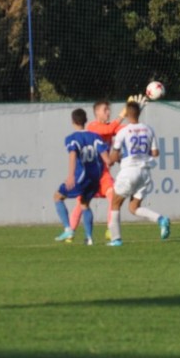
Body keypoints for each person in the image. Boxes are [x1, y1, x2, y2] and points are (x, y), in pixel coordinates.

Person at [66, 96, 146, 239]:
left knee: (113, 198)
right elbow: (109, 129)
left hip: (103, 174)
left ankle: (111, 229)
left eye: (108, 109)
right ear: (97, 112)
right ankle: (70, 232)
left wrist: (135, 113)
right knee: (81, 204)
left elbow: (128, 129)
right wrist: (122, 114)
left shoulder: (111, 126)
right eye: (105, 110)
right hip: (90, 175)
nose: (108, 112)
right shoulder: (92, 127)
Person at [106, 100, 171, 247]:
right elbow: (155, 153)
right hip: (145, 173)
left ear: (127, 114)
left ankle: (116, 239)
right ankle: (161, 220)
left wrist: (114, 158)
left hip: (129, 171)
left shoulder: (123, 132)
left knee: (115, 203)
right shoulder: (149, 129)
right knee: (133, 207)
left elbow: (114, 157)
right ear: (139, 113)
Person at [54, 108, 111, 245]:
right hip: (95, 178)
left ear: (73, 121)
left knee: (57, 197)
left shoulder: (72, 138)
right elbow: (107, 160)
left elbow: (73, 155)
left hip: (81, 176)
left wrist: (71, 176)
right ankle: (89, 238)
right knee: (84, 204)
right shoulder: (95, 137)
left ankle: (68, 229)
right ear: (85, 121)